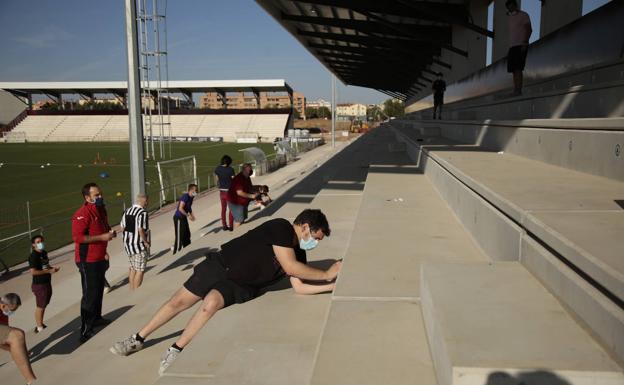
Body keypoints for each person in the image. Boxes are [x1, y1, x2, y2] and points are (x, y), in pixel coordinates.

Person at [110, 209, 341, 376]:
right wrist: (327, 273)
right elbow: (290, 267)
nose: (315, 243)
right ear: (306, 227)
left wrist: (333, 285)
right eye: (316, 237)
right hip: (221, 265)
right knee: (178, 301)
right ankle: (138, 338)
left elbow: (299, 286)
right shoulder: (281, 227)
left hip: (242, 284)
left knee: (210, 303)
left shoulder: (299, 255)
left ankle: (176, 349)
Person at [71, 182, 116, 343]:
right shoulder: (82, 214)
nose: (100, 197)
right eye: (96, 195)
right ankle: (85, 330)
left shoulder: (101, 209)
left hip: (99, 257)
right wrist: (102, 238)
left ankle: (96, 318)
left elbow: (103, 227)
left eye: (100, 193)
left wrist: (109, 234)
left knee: (98, 290)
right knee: (89, 294)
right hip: (87, 261)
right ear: (87, 197)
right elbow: (78, 238)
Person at [1, 293, 37, 385]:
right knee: (17, 335)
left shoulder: (3, 311)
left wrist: (16, 351)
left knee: (14, 338)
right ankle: (33, 381)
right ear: (4, 305)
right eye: (12, 310)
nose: (12, 312)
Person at [28, 235, 60, 333]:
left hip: (46, 282)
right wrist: (48, 272)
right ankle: (39, 327)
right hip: (39, 285)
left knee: (44, 304)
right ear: (33, 245)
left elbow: (45, 266)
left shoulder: (44, 253)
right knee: (40, 306)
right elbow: (33, 272)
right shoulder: (33, 256)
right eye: (38, 242)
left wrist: (51, 269)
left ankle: (40, 323)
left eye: (41, 241)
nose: (40, 243)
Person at [120, 194, 150, 290]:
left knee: (132, 268)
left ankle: (131, 289)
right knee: (140, 270)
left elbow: (122, 227)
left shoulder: (127, 211)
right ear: (144, 201)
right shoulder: (142, 213)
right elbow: (141, 229)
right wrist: (146, 241)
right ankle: (136, 292)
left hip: (128, 245)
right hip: (138, 246)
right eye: (147, 201)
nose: (147, 203)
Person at [506, 0, 532, 95]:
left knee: (518, 68)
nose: (510, 8)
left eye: (512, 6)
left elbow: (529, 29)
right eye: (509, 7)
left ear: (516, 6)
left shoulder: (524, 15)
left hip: (521, 45)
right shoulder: (510, 17)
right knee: (513, 69)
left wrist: (525, 43)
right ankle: (515, 89)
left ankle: (518, 90)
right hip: (512, 46)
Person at [226, 163, 260, 229]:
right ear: (244, 170)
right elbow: (239, 192)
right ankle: (235, 234)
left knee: (243, 218)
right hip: (235, 202)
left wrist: (258, 190)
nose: (251, 171)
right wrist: (251, 196)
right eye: (249, 169)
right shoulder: (239, 178)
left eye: (251, 169)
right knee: (239, 220)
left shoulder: (247, 177)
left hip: (243, 201)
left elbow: (250, 188)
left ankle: (241, 232)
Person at [173, 184, 197, 254]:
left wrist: (192, 215)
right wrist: (188, 215)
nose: (196, 192)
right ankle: (176, 254)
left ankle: (188, 250)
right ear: (191, 190)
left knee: (187, 234)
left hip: (184, 217)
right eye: (195, 190)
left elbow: (188, 207)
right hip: (178, 218)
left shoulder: (191, 197)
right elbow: (181, 208)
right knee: (180, 237)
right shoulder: (185, 197)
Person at [214, 155, 235, 231]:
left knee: (223, 209)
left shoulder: (217, 169)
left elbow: (217, 179)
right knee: (231, 209)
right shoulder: (230, 169)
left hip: (222, 191)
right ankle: (231, 225)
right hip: (229, 192)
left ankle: (224, 225)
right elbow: (233, 180)